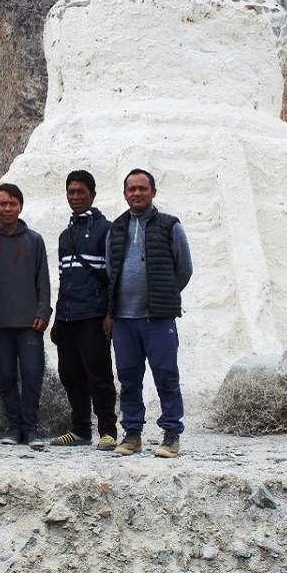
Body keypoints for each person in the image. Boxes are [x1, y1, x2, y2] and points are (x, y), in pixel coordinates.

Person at [104, 169, 193, 458]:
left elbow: (184, 268)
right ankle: (132, 434)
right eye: (132, 189)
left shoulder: (170, 226)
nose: (137, 193)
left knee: (166, 376)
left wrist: (164, 295)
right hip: (124, 319)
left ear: (153, 192)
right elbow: (110, 270)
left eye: (143, 188)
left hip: (158, 318)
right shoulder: (116, 229)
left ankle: (171, 434)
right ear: (125, 194)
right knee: (128, 378)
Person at [0, 183, 51, 449]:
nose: (8, 208)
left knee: (32, 374)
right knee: (6, 376)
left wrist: (43, 312)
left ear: (21, 206)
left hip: (30, 324)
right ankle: (13, 427)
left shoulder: (34, 240)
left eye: (13, 203)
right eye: (3, 203)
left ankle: (31, 428)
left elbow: (43, 280)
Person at [50, 170, 118, 450]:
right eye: (70, 192)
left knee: (98, 374)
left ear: (92, 194)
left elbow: (114, 276)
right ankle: (79, 430)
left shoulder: (107, 230)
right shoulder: (65, 236)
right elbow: (64, 279)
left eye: (80, 192)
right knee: (69, 374)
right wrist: (57, 317)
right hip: (67, 316)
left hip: (93, 315)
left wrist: (110, 313)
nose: (75, 197)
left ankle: (108, 431)